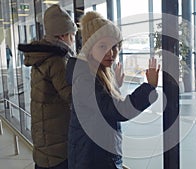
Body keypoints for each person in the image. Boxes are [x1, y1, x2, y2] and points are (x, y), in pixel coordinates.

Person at [66, 11, 160, 169]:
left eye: (115, 47)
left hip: (95, 153)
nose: (111, 53)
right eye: (103, 46)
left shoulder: (94, 71)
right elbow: (115, 110)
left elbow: (99, 104)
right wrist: (149, 88)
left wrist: (114, 85)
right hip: (93, 158)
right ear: (89, 47)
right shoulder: (84, 78)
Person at [17, 4, 77, 169]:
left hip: (44, 139)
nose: (74, 40)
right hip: (57, 145)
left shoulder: (41, 56)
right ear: (64, 35)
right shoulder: (57, 61)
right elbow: (73, 96)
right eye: (73, 35)